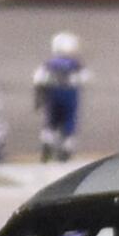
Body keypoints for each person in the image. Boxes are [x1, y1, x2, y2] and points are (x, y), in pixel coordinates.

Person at [34, 31, 86, 160]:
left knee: (51, 121)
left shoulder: (50, 64)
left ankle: (48, 142)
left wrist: (38, 98)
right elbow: (85, 78)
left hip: (53, 94)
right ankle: (66, 148)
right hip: (70, 95)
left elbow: (39, 79)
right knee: (69, 122)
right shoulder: (75, 65)